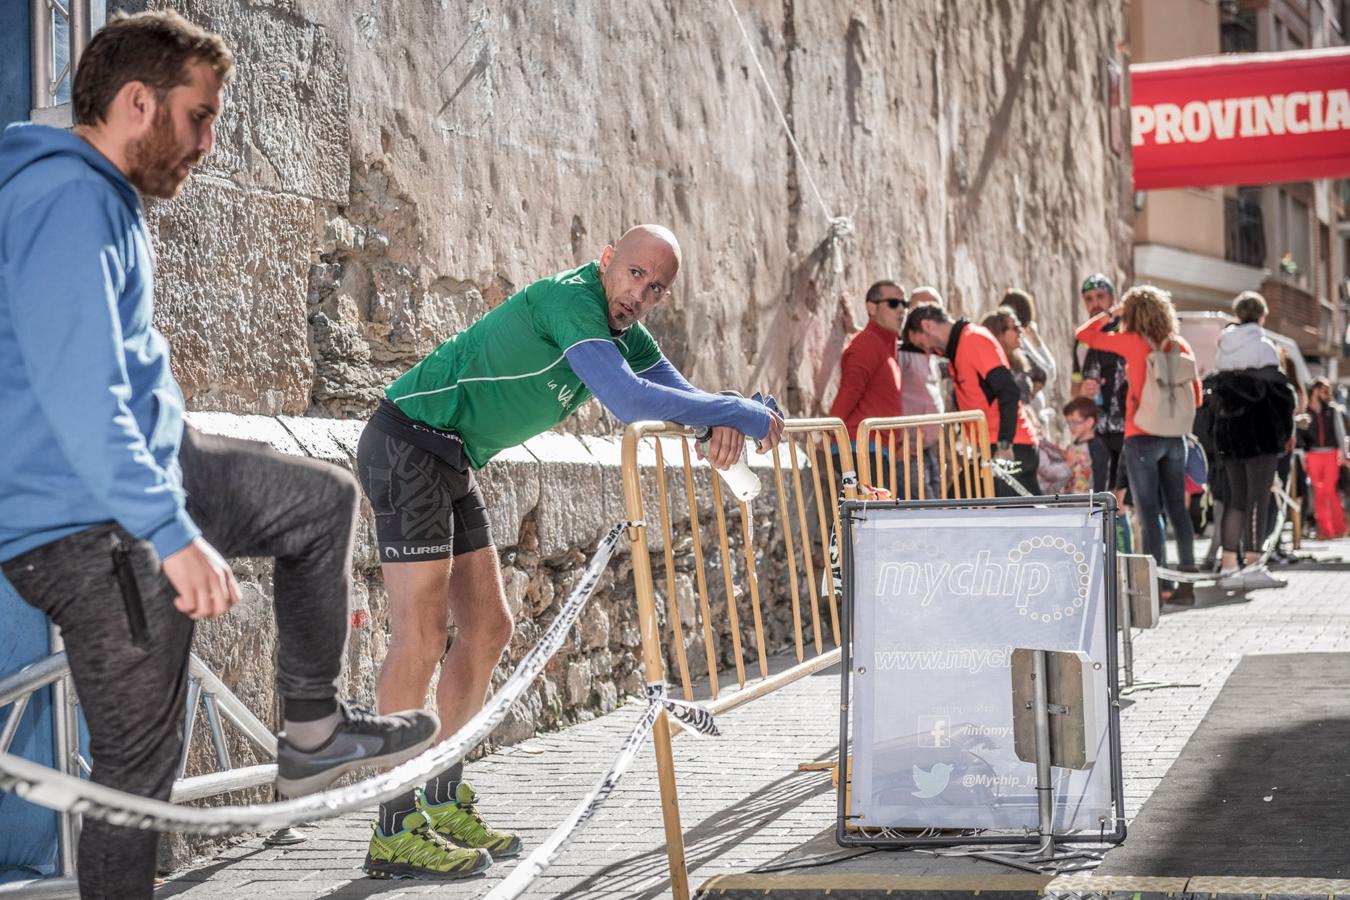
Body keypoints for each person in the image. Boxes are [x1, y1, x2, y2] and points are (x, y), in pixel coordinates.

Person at [0, 13, 437, 899]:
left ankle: (311, 730)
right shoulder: (65, 201)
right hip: (91, 523)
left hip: (152, 470)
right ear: (136, 102)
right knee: (137, 777)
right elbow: (82, 393)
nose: (207, 143)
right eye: (199, 117)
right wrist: (169, 530)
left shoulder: (99, 196)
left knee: (318, 504)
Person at [358, 223, 785, 879]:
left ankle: (439, 800)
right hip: (405, 443)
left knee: (491, 628)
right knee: (421, 636)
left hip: (449, 459)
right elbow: (629, 399)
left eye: (657, 288)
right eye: (636, 273)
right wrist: (740, 416)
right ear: (608, 259)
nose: (641, 294)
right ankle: (394, 825)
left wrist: (725, 418)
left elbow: (683, 396)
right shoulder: (569, 301)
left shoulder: (625, 333)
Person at [1076, 285, 1202, 598]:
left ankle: (1158, 586)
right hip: (1175, 438)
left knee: (1149, 514)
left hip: (1141, 436)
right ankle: (1187, 585)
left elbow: (1085, 335)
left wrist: (1111, 313)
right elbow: (1196, 397)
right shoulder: (1180, 345)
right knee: (1178, 511)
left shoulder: (1132, 342)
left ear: (1131, 314)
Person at [901, 303, 1040, 497]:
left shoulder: (973, 339)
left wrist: (1004, 446)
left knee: (1025, 519)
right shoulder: (957, 349)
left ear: (927, 326)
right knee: (958, 503)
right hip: (990, 449)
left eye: (923, 344)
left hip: (1011, 448)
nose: (928, 351)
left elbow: (1008, 390)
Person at [1208, 292, 1296, 590]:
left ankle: (1228, 565)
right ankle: (1254, 563)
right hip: (1260, 434)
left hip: (1230, 434)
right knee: (1258, 499)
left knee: (1236, 500)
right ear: (1261, 315)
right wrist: (1285, 433)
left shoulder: (1223, 346)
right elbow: (1279, 396)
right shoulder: (1264, 346)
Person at [828, 280, 905, 489]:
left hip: (873, 449)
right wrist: (829, 430)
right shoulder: (868, 344)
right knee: (868, 518)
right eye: (893, 303)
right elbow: (850, 389)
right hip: (861, 448)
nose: (901, 309)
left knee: (868, 518)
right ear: (872, 307)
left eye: (903, 304)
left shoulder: (882, 345)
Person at [1073, 274, 1129, 497]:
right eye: (1088, 299)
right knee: (1100, 497)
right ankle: (1106, 533)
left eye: (1100, 296)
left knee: (1124, 501)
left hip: (1127, 427)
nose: (1094, 303)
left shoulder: (1126, 328)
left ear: (1112, 298)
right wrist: (1082, 391)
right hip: (1097, 431)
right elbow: (1073, 389)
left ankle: (1124, 532)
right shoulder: (1081, 340)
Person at [898, 285, 947, 498]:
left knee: (935, 505)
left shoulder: (930, 353)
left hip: (928, 448)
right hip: (906, 448)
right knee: (923, 510)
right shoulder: (901, 350)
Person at [1001, 289, 1058, 429]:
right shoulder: (1016, 344)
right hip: (1030, 418)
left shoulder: (1022, 341)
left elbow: (1050, 372)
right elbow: (1048, 373)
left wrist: (1035, 338)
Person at [1302, 377, 1348, 540]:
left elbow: (1340, 431)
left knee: (1328, 490)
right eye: (1323, 389)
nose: (1326, 393)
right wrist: (1303, 454)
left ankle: (1337, 527)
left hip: (1331, 453)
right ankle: (1325, 529)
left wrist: (1343, 452)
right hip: (1313, 454)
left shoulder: (1333, 410)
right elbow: (1302, 434)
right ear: (1315, 390)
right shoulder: (1306, 411)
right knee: (1319, 492)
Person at [1062, 396, 1110, 493]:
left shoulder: (1097, 447)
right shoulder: (1071, 447)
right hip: (1068, 505)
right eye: (1069, 423)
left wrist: (1097, 504)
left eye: (1075, 422)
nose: (1071, 427)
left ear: (1089, 422)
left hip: (1088, 505)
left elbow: (1100, 479)